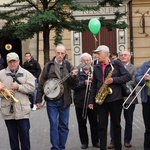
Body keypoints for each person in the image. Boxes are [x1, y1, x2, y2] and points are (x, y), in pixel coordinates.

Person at [88, 45, 132, 150]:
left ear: (106, 53)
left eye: (99, 53)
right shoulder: (97, 66)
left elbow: (127, 76)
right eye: (97, 54)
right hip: (101, 100)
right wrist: (91, 101)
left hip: (115, 99)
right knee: (102, 126)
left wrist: (114, 80)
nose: (97, 56)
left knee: (116, 125)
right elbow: (94, 85)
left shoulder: (116, 63)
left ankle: (118, 147)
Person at [36, 44, 79, 150]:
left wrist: (73, 76)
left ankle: (62, 146)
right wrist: (38, 99)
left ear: (65, 54)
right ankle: (55, 147)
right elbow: (41, 82)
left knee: (64, 125)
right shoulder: (48, 66)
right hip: (51, 101)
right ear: (55, 53)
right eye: (58, 53)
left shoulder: (69, 66)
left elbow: (74, 85)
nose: (60, 55)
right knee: (54, 125)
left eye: (62, 53)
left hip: (65, 100)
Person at [0, 52, 35, 150]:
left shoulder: (26, 73)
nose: (12, 64)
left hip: (22, 111)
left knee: (25, 139)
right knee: (13, 140)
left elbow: (32, 88)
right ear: (7, 62)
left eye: (14, 61)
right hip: (8, 111)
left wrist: (19, 87)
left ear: (18, 61)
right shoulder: (1, 74)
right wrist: (4, 93)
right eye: (10, 62)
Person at [108, 50, 138, 149]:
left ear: (129, 57)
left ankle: (127, 140)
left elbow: (134, 80)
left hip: (129, 97)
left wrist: (120, 81)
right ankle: (113, 141)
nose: (123, 56)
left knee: (129, 120)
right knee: (114, 120)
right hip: (116, 97)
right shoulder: (114, 66)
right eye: (121, 55)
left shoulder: (134, 68)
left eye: (125, 55)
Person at [73, 53, 100, 149]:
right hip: (80, 102)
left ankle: (96, 141)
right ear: (81, 62)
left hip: (92, 102)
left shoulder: (95, 72)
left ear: (91, 61)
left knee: (94, 123)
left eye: (88, 60)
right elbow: (74, 86)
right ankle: (84, 142)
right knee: (82, 124)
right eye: (84, 61)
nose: (86, 62)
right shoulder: (76, 73)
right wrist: (84, 83)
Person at [135, 60, 150, 150]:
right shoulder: (146, 64)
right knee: (148, 126)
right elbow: (137, 77)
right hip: (147, 100)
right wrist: (144, 77)